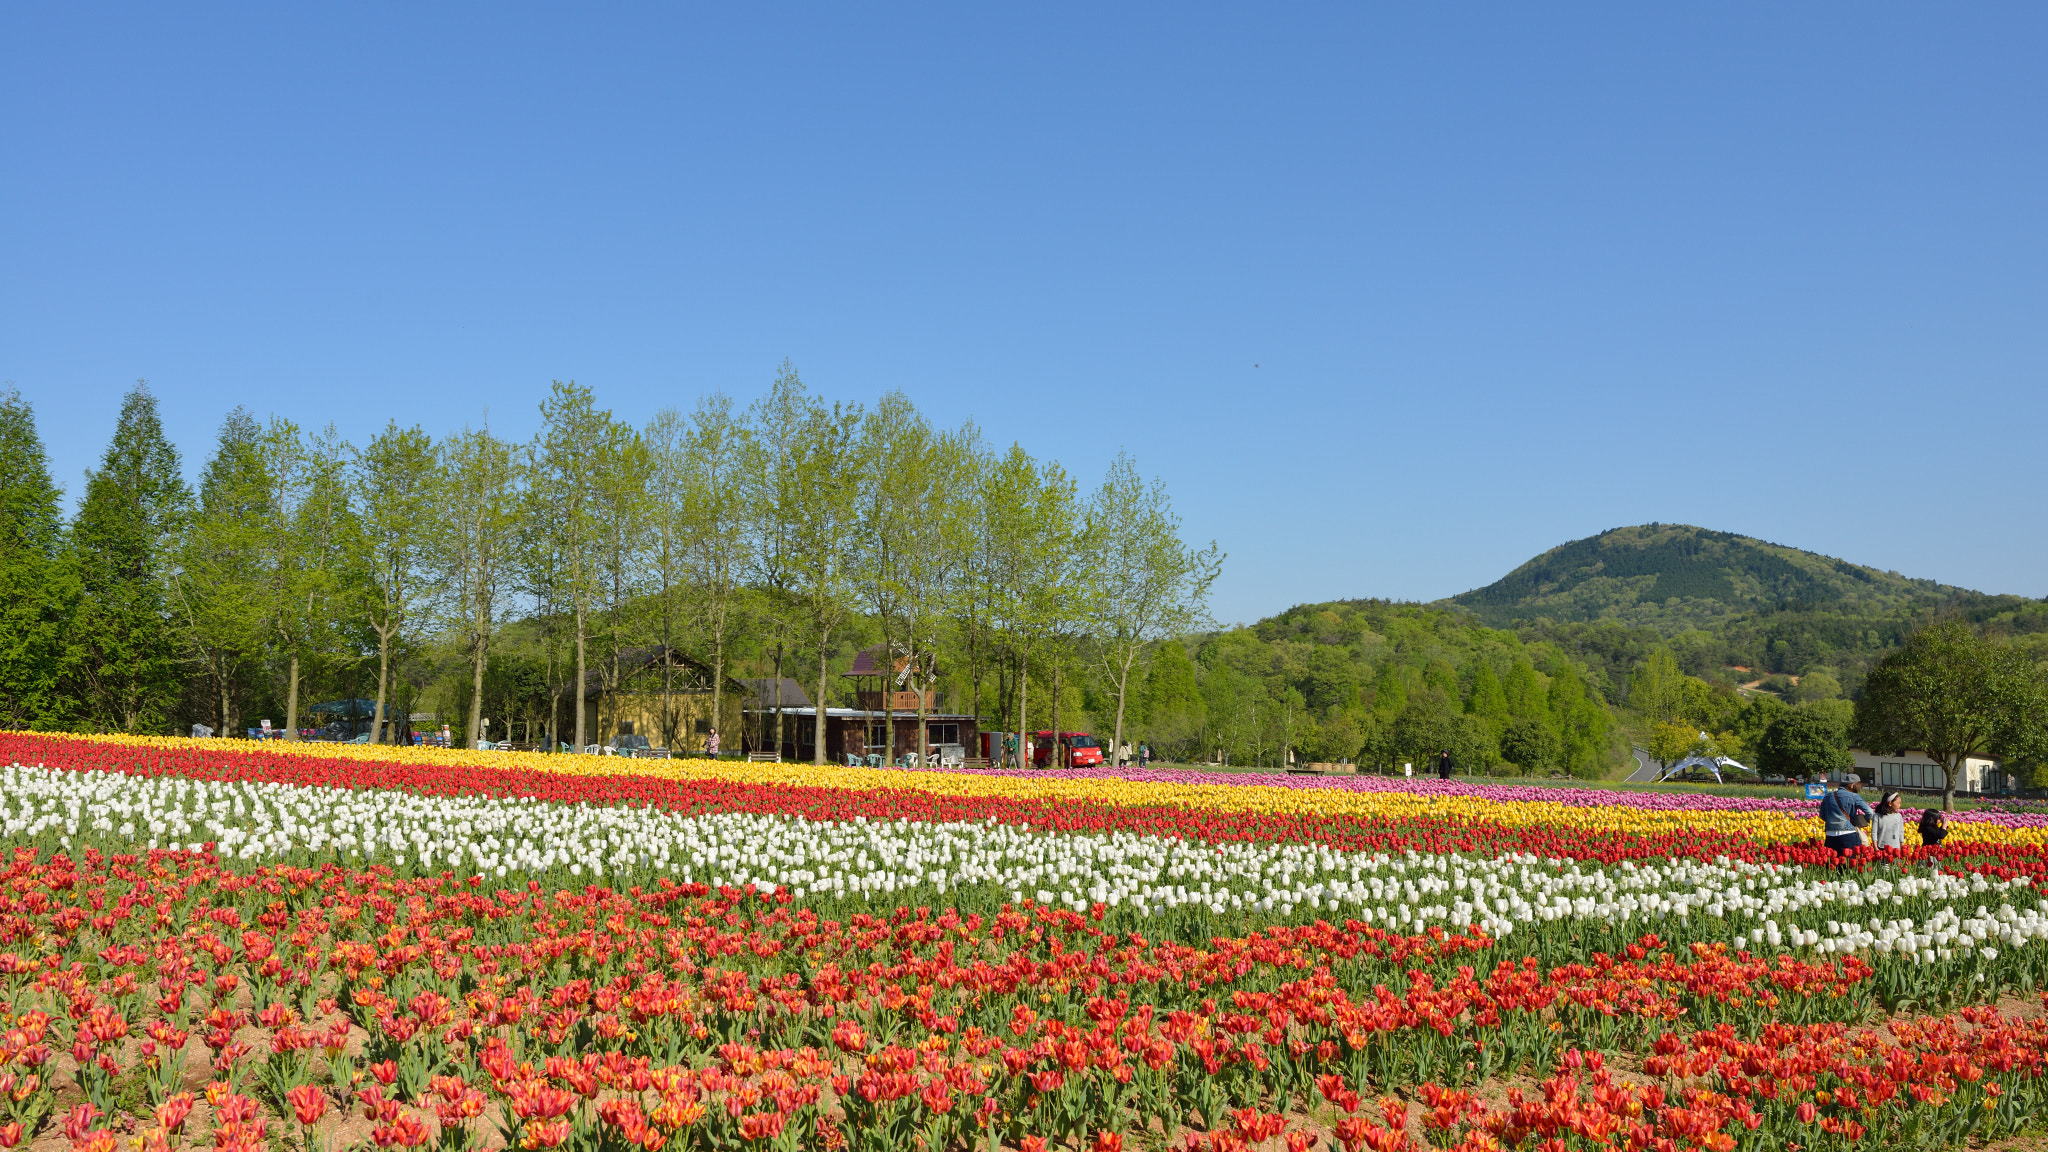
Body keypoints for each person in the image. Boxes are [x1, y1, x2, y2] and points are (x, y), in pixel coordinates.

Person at [1818, 781, 1875, 857]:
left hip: (1830, 835)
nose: (1860, 787)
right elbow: (1870, 812)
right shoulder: (1853, 796)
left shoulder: (1828, 796)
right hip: (1848, 834)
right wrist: (1864, 821)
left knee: (1833, 865)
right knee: (1849, 863)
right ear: (1852, 785)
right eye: (1858, 785)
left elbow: (1822, 815)